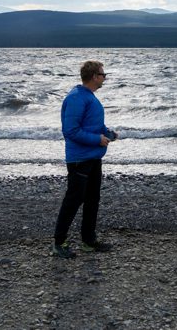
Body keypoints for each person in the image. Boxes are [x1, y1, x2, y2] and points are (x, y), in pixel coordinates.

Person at [51, 60, 118, 258]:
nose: (104, 78)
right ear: (94, 77)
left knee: (92, 199)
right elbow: (70, 131)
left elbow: (92, 124)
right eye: (103, 74)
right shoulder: (76, 98)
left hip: (93, 157)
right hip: (79, 159)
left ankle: (89, 240)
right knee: (74, 200)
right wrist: (97, 140)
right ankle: (58, 243)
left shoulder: (89, 97)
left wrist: (108, 133)